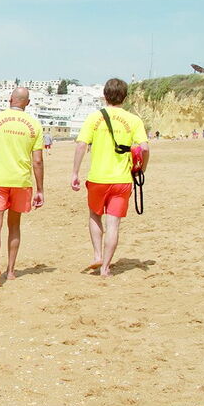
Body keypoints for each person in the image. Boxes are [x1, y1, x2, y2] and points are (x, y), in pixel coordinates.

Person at [71, 78, 149, 277]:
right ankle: (105, 267)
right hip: (122, 180)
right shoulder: (134, 120)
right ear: (125, 97)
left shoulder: (94, 118)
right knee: (113, 224)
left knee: (95, 216)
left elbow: (81, 145)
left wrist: (75, 172)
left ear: (105, 95)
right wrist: (141, 169)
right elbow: (145, 147)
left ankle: (97, 254)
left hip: (98, 178)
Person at [0, 88, 44, 289]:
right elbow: (37, 161)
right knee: (14, 226)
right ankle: (11, 271)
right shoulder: (34, 124)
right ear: (27, 103)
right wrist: (40, 189)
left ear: (9, 99)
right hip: (21, 181)